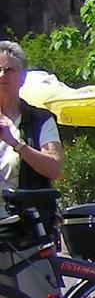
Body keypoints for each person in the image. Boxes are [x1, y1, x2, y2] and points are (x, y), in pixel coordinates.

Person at [0, 40, 61, 194]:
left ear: (23, 78)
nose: (2, 75)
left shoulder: (41, 120)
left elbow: (55, 169)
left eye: (9, 70)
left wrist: (16, 144)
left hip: (26, 214)